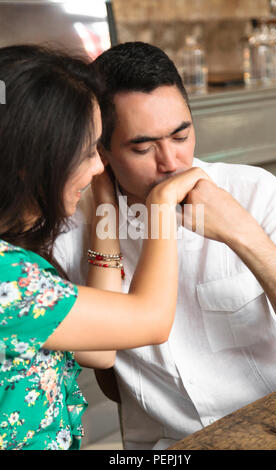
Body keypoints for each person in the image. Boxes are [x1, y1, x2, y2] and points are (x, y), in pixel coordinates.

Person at [54, 42, 276, 450]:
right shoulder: (71, 231)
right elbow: (100, 359)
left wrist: (243, 233)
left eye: (181, 135)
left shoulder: (257, 193)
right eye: (143, 147)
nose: (171, 161)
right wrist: (106, 219)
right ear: (102, 151)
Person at [0, 44, 205, 450]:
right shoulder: (12, 280)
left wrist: (105, 210)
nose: (99, 168)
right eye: (87, 153)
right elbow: (150, 320)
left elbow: (98, 352)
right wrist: (160, 207)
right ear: (34, 164)